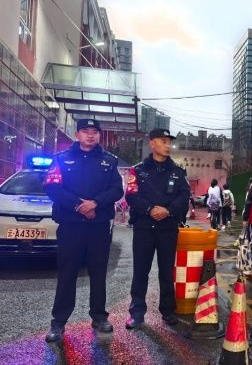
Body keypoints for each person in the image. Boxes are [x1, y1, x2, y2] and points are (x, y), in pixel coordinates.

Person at [43, 119, 124, 343]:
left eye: (95, 132)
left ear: (99, 135)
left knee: (98, 272)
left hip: (98, 226)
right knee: (67, 273)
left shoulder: (109, 161)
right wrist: (80, 205)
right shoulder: (60, 159)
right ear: (77, 134)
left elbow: (117, 189)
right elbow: (51, 186)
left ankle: (99, 317)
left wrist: (95, 203)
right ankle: (59, 322)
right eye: (85, 131)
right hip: (71, 225)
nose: (90, 135)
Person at [124, 128, 190, 330]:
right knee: (140, 270)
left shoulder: (178, 172)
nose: (168, 145)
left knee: (167, 271)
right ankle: (136, 312)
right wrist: (150, 209)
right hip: (144, 227)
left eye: (169, 142)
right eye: (163, 141)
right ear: (152, 144)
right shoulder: (138, 170)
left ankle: (168, 310)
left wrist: (168, 211)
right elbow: (131, 195)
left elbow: (184, 197)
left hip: (168, 228)